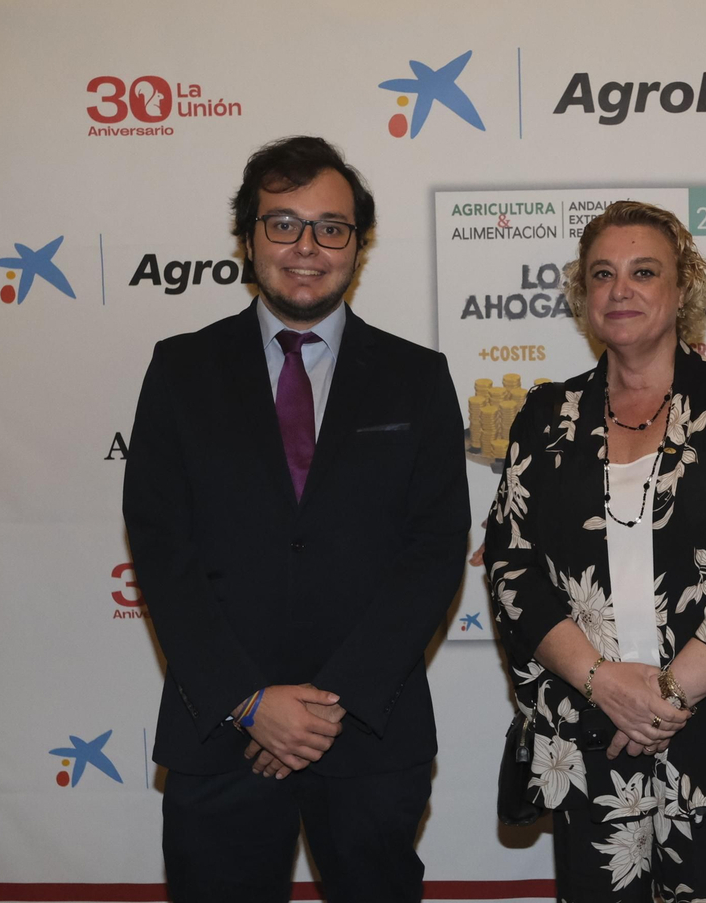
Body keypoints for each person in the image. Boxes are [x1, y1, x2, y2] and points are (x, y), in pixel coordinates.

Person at [123, 135, 469, 902]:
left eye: (331, 227)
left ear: (358, 243)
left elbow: (436, 547)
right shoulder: (180, 371)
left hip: (370, 737)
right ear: (248, 239)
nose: (307, 246)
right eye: (283, 224)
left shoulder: (417, 378)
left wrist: (325, 704)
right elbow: (160, 547)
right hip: (220, 737)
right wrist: (250, 702)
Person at [484, 201, 706, 900]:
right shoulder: (547, 417)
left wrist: (663, 695)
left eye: (643, 271)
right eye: (601, 273)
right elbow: (512, 567)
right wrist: (606, 685)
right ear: (582, 293)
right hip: (592, 730)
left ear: (682, 289)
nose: (620, 289)